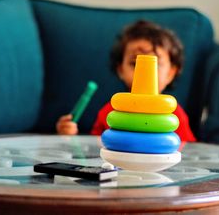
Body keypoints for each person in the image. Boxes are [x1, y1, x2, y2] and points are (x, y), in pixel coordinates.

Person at [56, 20, 197, 142]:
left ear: (171, 73)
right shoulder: (110, 112)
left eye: (154, 64)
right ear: (120, 70)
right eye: (134, 64)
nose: (143, 73)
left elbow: (188, 152)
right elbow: (96, 149)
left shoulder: (174, 115)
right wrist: (69, 138)